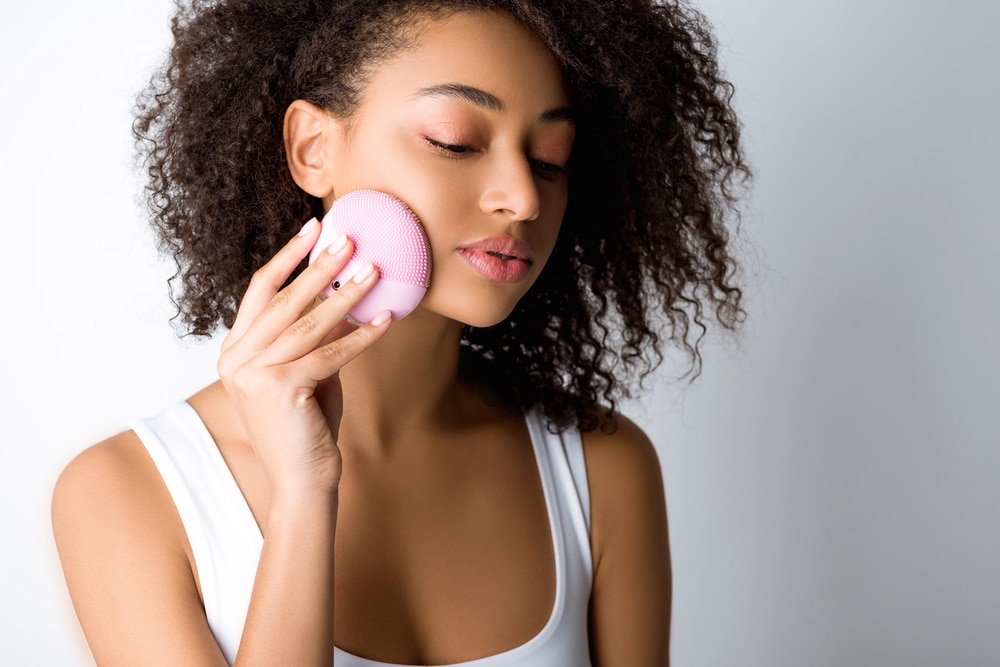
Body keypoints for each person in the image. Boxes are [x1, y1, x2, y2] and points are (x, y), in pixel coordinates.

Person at [52, 0, 749, 665]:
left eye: (549, 158)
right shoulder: (126, 492)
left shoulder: (603, 471)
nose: (523, 196)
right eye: (456, 141)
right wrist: (302, 493)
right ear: (313, 147)